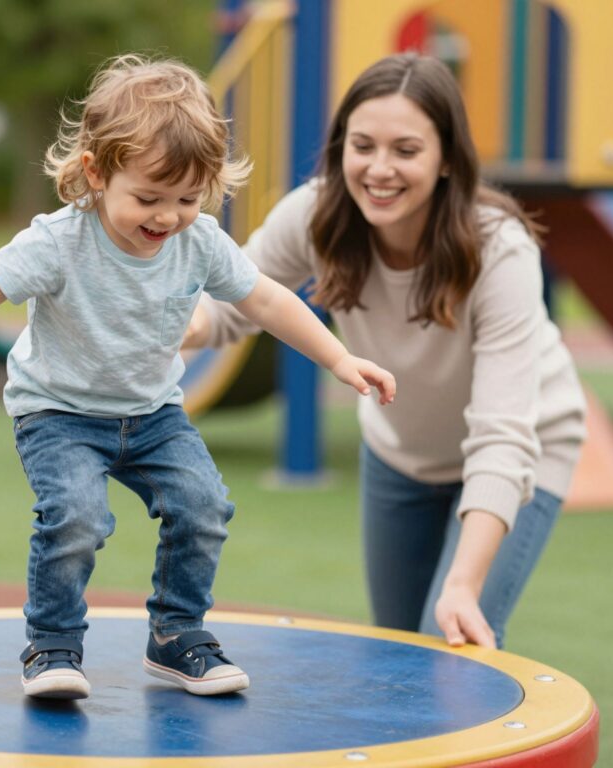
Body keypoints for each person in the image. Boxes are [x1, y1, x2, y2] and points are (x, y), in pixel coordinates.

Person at [0, 54, 395, 700]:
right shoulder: (59, 241)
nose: (167, 216)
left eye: (188, 199)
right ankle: (52, 644)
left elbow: (270, 302)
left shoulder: (199, 242)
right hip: (58, 412)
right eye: (148, 198)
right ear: (96, 173)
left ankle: (177, 637)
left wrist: (338, 358)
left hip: (152, 413)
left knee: (203, 506)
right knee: (77, 516)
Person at [187, 52, 586, 650]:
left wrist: (463, 584)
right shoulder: (316, 216)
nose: (379, 169)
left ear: (447, 158)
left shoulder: (499, 249)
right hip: (400, 453)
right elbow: (225, 303)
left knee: (453, 641)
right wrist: (164, 324)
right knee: (399, 654)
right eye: (363, 145)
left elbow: (503, 435)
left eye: (406, 150)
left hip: (523, 448)